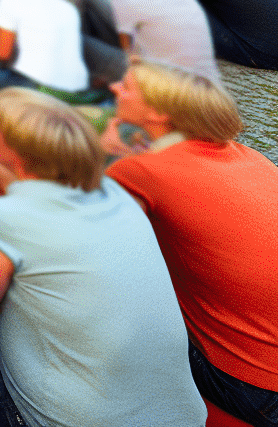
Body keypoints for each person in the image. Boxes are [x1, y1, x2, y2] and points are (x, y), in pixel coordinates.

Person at [0, 88, 205, 427]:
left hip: (63, 419)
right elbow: (18, 212)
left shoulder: (2, 218)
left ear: (19, 152)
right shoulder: (116, 195)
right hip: (179, 417)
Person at [99, 61, 278, 427]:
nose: (116, 88)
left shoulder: (141, 172)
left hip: (248, 384)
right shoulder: (253, 158)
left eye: (128, 87)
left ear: (159, 111)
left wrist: (106, 159)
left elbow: (81, 244)